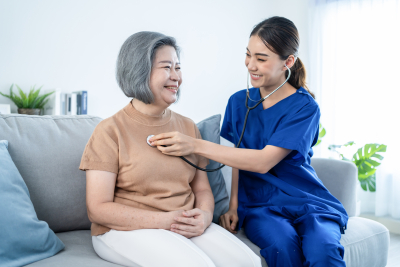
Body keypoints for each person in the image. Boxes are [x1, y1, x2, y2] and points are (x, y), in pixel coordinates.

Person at [149, 17, 348, 267]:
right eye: (248, 55)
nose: (250, 65)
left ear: (288, 62)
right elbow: (237, 156)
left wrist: (194, 144)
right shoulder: (238, 102)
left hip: (307, 200)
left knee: (323, 251)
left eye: (261, 59)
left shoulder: (305, 107)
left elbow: (263, 161)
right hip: (260, 205)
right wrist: (233, 206)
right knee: (282, 248)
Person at [79, 31, 261, 267]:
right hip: (122, 230)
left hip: (179, 222)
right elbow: (98, 209)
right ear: (139, 71)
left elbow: (202, 190)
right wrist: (164, 220)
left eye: (178, 67)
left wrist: (204, 216)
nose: (177, 76)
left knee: (248, 263)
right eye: (167, 67)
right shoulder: (109, 131)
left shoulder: (187, 126)